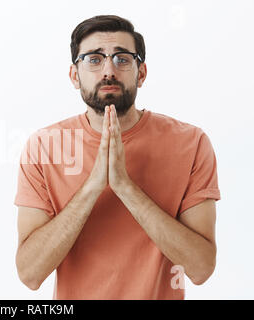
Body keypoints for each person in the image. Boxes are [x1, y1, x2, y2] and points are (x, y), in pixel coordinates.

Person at [13, 15, 221, 300]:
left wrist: (124, 186)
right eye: (94, 59)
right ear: (75, 75)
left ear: (142, 73)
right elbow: (30, 274)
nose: (108, 70)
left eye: (122, 59)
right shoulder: (44, 147)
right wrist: (93, 186)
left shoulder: (192, 143)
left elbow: (200, 268)